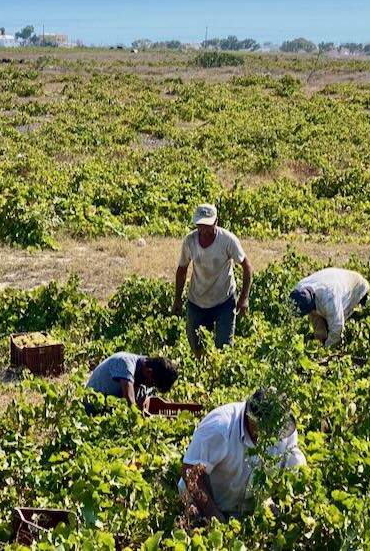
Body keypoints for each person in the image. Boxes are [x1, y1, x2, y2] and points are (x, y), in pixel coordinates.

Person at [178, 387, 306, 522]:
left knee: (297, 461)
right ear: (251, 419)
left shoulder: (282, 430)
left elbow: (292, 467)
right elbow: (190, 472)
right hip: (206, 503)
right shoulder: (219, 428)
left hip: (245, 511)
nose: (272, 436)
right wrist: (215, 517)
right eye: (265, 429)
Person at [173, 203, 252, 358]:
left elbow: (247, 267)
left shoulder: (227, 240)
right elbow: (182, 269)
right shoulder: (190, 241)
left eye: (207, 225)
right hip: (197, 301)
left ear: (216, 222)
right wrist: (177, 299)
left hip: (224, 301)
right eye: (200, 225)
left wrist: (244, 298)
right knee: (196, 348)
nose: (203, 230)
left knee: (224, 350)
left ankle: (219, 379)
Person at [289, 268, 370, 348]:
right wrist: (319, 340)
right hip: (337, 281)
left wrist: (326, 350)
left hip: (357, 291)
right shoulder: (299, 289)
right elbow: (315, 316)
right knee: (323, 331)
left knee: (351, 333)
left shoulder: (329, 298)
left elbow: (337, 329)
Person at [84, 352, 178, 416]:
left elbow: (141, 404)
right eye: (153, 383)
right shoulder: (125, 363)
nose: (151, 386)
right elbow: (130, 401)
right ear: (149, 372)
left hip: (110, 410)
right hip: (92, 409)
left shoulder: (144, 374)